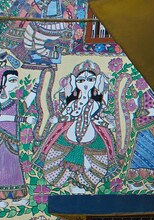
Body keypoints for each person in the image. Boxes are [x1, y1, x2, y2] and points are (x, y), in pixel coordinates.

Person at [40, 61, 117, 193]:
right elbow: (66, 115)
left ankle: (82, 185)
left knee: (95, 160)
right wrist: (57, 119)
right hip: (71, 131)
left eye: (90, 79)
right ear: (75, 82)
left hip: (91, 132)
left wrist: (108, 124)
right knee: (56, 156)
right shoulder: (73, 102)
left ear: (96, 81)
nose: (86, 83)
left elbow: (97, 117)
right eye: (81, 80)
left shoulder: (96, 102)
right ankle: (65, 181)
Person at [0, 68, 31, 205]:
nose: (15, 84)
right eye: (12, 81)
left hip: (12, 140)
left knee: (14, 166)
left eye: (16, 81)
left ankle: (16, 197)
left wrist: (38, 86)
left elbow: (27, 104)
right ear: (3, 83)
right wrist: (19, 119)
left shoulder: (15, 103)